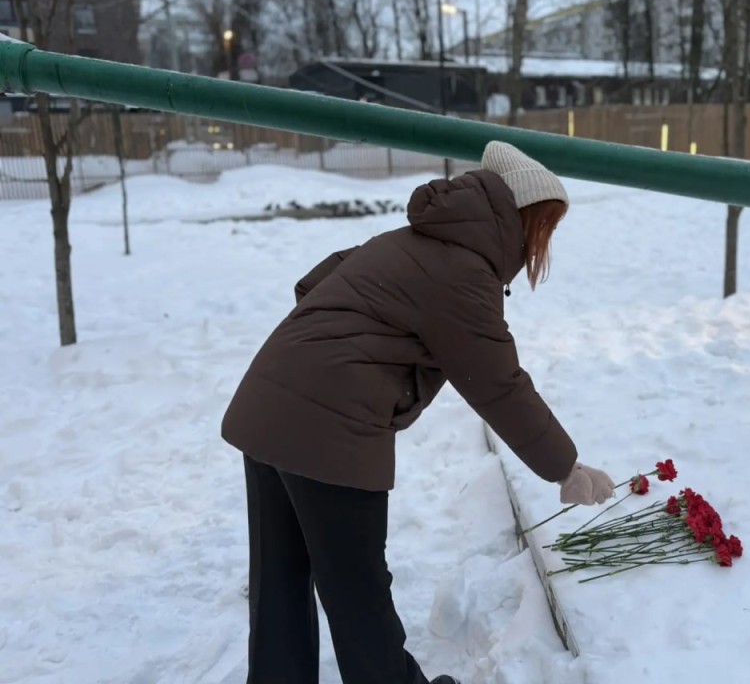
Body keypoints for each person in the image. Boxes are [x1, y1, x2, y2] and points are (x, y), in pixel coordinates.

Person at [221, 140, 615, 684]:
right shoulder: (463, 271)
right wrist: (565, 467)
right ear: (521, 220)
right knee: (357, 588)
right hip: (327, 428)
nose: (542, 244)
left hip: (268, 403)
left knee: (281, 577)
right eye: (545, 227)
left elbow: (315, 283)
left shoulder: (415, 241)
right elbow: (499, 385)